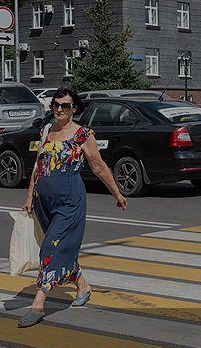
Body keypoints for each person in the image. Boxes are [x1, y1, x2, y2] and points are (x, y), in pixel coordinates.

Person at [18, 87, 128, 328]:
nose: (59, 109)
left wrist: (117, 193)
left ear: (74, 109)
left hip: (70, 201)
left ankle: (38, 303)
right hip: (43, 202)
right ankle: (83, 286)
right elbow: (38, 165)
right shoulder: (46, 130)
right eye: (56, 105)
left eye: (65, 106)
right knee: (62, 248)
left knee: (50, 248)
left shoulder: (83, 134)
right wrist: (29, 196)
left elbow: (98, 166)